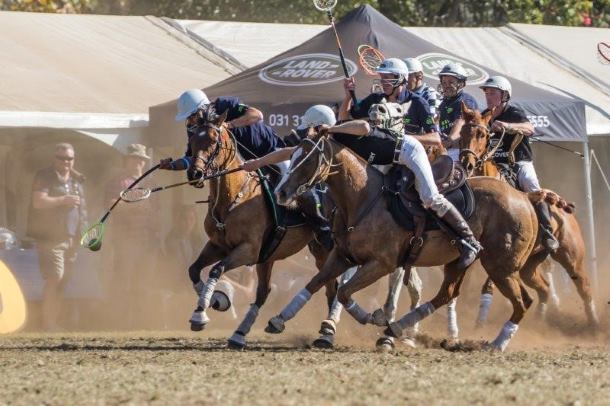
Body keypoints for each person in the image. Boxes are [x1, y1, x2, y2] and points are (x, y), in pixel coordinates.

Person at [245, 102, 482, 270]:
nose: (307, 131)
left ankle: (469, 241)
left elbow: (366, 128)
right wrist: (257, 162)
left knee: (430, 198)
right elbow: (289, 152)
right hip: (388, 162)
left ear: (320, 125)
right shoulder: (323, 143)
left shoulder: (340, 132)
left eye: (311, 127)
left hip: (408, 151)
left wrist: (333, 129)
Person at [160, 89, 332, 249]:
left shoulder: (223, 105)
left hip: (271, 151)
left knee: (294, 183)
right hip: (246, 165)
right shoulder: (197, 131)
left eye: (192, 117)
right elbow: (194, 158)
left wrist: (230, 125)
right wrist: (172, 165)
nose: (190, 122)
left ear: (204, 109)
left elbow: (257, 115)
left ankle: (321, 227)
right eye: (188, 119)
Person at [480, 76, 559, 252]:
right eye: (487, 92)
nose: (488, 96)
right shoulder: (484, 115)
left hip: (518, 162)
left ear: (504, 96)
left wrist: (507, 126)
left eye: (492, 93)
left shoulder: (514, 113)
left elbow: (530, 129)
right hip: (495, 164)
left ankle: (547, 233)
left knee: (531, 186)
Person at [28, 143, 87, 331]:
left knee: (63, 281)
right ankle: (48, 322)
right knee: (55, 277)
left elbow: (82, 210)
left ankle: (53, 321)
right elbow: (38, 202)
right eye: (62, 158)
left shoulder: (77, 180)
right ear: (54, 159)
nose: (66, 162)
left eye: (69, 158)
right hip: (50, 236)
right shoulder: (44, 176)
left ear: (73, 160)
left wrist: (85, 233)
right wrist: (63, 200)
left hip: (72, 237)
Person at [104, 144, 157, 328]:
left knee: (142, 283)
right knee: (124, 281)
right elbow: (111, 204)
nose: (138, 163)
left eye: (141, 160)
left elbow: (155, 211)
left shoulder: (148, 183)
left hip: (146, 239)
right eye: (135, 159)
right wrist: (132, 206)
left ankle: (140, 320)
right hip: (124, 239)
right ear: (127, 160)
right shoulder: (117, 182)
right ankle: (120, 321)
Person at [341, 58, 440, 149]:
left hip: (404, 156)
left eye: (387, 77)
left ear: (400, 78)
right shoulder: (374, 98)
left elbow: (435, 139)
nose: (383, 82)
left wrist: (402, 138)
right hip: (375, 153)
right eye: (382, 77)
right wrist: (348, 97)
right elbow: (343, 121)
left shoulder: (418, 103)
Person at [437, 63, 479, 162]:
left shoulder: (466, 101)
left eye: (451, 82)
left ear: (462, 84)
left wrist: (449, 141)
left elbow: (460, 123)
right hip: (445, 147)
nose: (446, 86)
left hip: (460, 149)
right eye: (444, 82)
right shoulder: (443, 103)